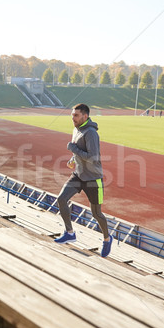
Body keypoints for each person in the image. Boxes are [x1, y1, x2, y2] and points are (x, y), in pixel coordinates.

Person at [54, 103, 112, 257]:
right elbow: (80, 149)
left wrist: (73, 150)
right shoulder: (77, 129)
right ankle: (70, 232)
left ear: (85, 116)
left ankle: (107, 238)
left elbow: (93, 157)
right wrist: (73, 158)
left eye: (76, 115)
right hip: (79, 175)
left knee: (97, 214)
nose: (72, 118)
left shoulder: (91, 133)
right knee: (61, 199)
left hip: (93, 179)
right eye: (72, 115)